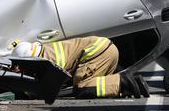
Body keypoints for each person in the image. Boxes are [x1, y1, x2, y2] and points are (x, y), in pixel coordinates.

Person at [11, 36, 149, 99]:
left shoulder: (48, 60)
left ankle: (126, 83)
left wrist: (26, 91)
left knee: (82, 88)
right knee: (95, 84)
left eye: (22, 65)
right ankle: (124, 84)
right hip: (104, 48)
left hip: (96, 52)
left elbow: (48, 88)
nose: (20, 68)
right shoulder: (46, 50)